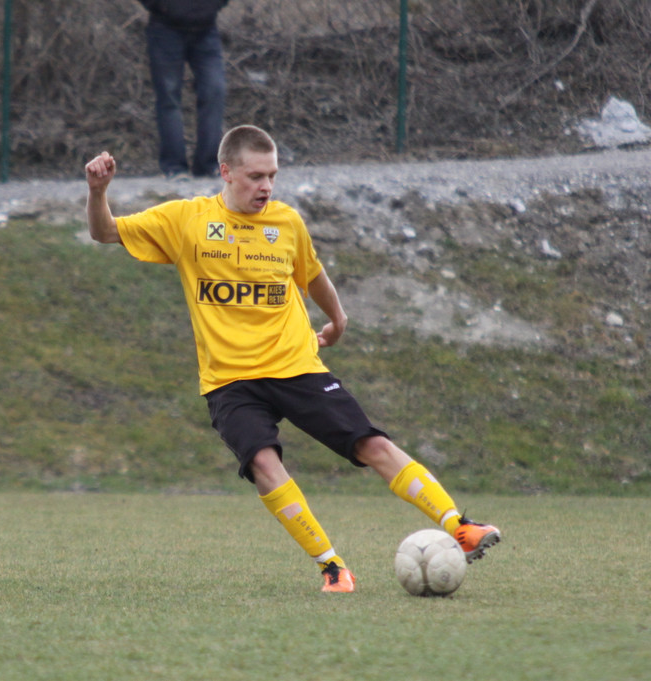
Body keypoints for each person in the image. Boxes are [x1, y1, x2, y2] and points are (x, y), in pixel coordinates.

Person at [84, 125, 501, 593]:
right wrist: (98, 192)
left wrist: (337, 319)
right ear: (226, 172)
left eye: (272, 176)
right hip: (230, 380)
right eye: (255, 176)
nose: (266, 186)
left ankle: (460, 527)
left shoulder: (287, 223)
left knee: (371, 444)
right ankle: (332, 567)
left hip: (295, 365)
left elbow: (313, 274)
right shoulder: (186, 220)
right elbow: (105, 232)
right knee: (263, 464)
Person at [139, 0, 229, 178]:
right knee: (169, 97)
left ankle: (208, 164)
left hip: (206, 29)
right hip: (164, 29)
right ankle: (174, 166)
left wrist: (212, 6)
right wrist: (161, 6)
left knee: (215, 91)